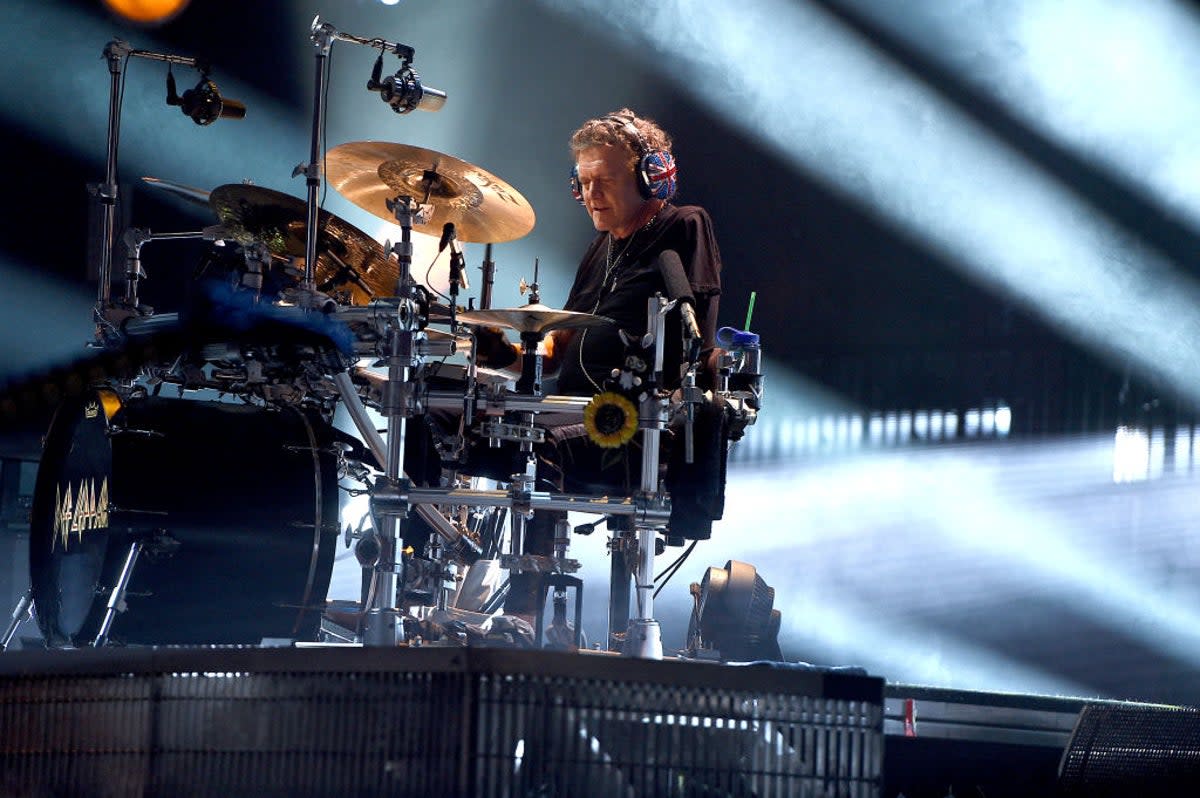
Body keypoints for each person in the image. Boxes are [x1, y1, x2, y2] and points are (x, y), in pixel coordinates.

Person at [466, 109, 725, 623]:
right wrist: (502, 355)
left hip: (634, 429)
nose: (590, 195)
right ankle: (420, 589)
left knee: (540, 449)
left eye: (603, 181)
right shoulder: (598, 250)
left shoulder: (684, 225)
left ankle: (522, 617)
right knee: (445, 423)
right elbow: (556, 352)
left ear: (652, 176)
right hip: (569, 412)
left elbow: (698, 339)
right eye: (582, 183)